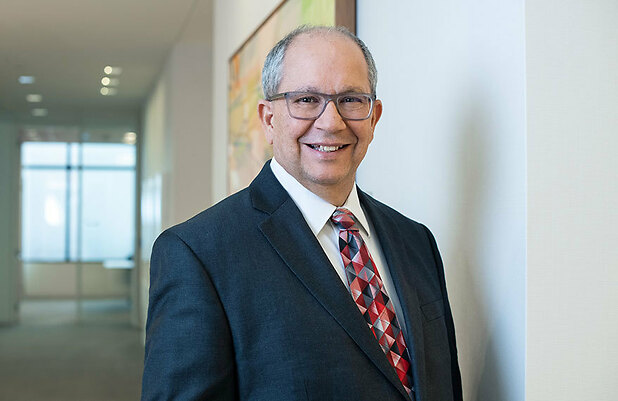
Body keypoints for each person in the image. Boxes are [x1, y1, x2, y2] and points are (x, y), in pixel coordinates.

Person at [141, 25, 462, 401]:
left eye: (350, 100)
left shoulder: (415, 241)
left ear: (373, 117)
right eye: (307, 100)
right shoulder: (198, 253)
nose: (331, 122)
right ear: (268, 119)